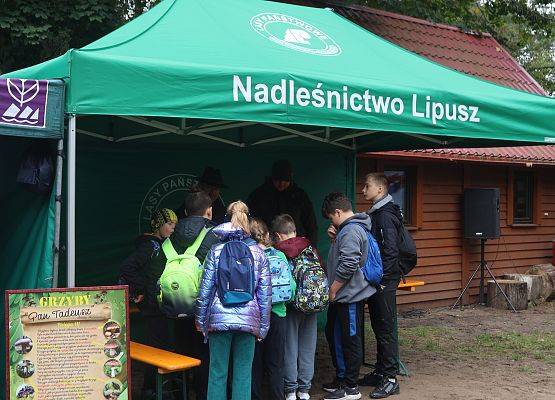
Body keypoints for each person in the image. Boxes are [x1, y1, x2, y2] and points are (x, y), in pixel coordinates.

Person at [196, 201, 271, 400]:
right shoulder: (259, 253)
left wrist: (201, 322)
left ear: (227, 219)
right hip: (248, 321)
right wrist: (262, 327)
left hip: (219, 320)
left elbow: (205, 291)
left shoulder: (215, 251)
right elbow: (264, 295)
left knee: (217, 373)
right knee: (243, 374)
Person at [321, 192, 376, 400]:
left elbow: (349, 263)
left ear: (337, 212)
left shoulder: (351, 231)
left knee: (350, 339)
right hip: (343, 296)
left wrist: (333, 288)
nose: (331, 222)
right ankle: (342, 379)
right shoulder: (346, 230)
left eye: (331, 217)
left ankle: (351, 387)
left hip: (350, 296)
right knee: (335, 334)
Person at [169, 191, 220, 400]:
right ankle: (202, 395)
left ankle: (180, 393)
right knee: (205, 355)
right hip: (205, 307)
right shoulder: (216, 233)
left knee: (180, 351)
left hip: (176, 303)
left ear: (186, 211)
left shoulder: (171, 234)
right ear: (209, 211)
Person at [359, 173, 402, 398]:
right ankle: (380, 372)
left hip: (385, 281)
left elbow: (391, 250)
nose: (363, 190)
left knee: (385, 329)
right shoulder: (377, 212)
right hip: (379, 281)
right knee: (378, 326)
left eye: (367, 186)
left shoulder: (385, 215)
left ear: (380, 190)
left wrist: (384, 282)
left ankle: (391, 378)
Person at [273, 214, 321, 400]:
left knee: (290, 347)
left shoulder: (280, 252)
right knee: (308, 346)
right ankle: (305, 390)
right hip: (313, 302)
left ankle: (291, 390)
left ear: (277, 235)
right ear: (294, 230)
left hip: (292, 306)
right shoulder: (311, 248)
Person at [250, 218, 296, 400]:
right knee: (277, 364)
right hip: (278, 314)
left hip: (255, 317)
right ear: (268, 235)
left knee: (255, 364)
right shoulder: (280, 256)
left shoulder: (247, 257)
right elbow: (291, 289)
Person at [248, 160, 318, 245]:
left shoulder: (300, 196)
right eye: (277, 180)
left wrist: (312, 246)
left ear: (290, 178)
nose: (281, 184)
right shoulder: (259, 195)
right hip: (268, 245)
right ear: (272, 178)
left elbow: (311, 225)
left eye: (285, 180)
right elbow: (252, 222)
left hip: (296, 246)